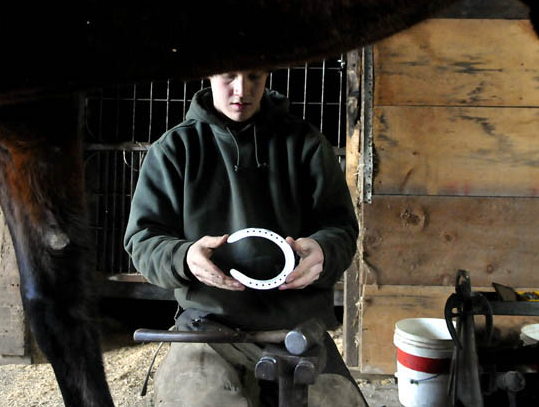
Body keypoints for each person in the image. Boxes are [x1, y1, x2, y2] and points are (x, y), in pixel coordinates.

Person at [124, 69, 367, 406]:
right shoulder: (174, 150)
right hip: (208, 326)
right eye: (229, 76)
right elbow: (143, 239)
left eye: (254, 76)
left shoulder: (307, 144)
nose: (242, 89)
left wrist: (324, 251)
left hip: (296, 328)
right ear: (208, 74)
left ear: (267, 76)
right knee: (200, 399)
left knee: (339, 401)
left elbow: (340, 227)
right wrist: (184, 258)